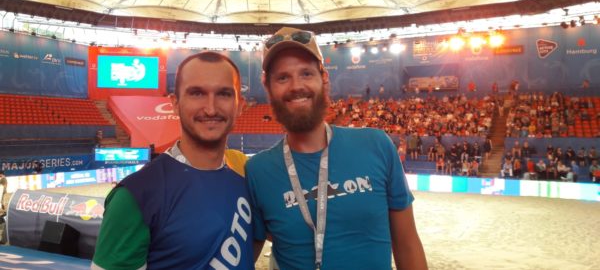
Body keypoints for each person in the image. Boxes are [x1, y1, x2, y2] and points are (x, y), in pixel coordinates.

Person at [246, 27, 427, 270]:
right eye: (282, 77)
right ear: (268, 88)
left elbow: (407, 244)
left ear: (324, 79)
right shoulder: (258, 171)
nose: (296, 86)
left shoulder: (376, 145)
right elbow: (243, 258)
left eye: (306, 73)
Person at [92, 52, 253, 270]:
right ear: (175, 103)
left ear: (240, 105)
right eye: (196, 93)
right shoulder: (135, 196)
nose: (211, 108)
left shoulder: (246, 179)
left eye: (224, 94)